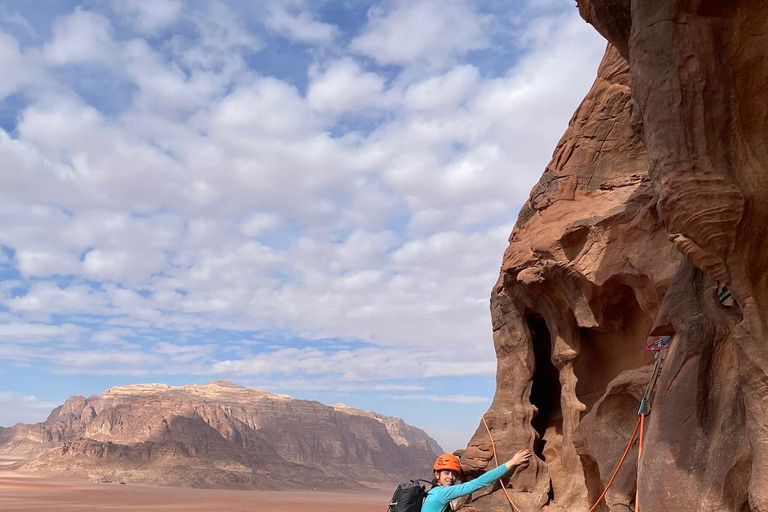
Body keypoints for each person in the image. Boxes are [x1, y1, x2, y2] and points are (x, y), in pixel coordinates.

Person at [422, 449, 532, 512]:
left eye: (454, 474)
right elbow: (477, 483)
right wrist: (512, 462)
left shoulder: (433, 491)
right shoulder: (442, 493)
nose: (450, 477)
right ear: (437, 474)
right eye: (446, 473)